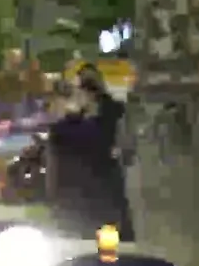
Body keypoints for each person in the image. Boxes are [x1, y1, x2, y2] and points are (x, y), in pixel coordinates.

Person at [45, 69, 133, 240]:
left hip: (92, 195)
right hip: (97, 194)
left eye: (76, 90)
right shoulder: (101, 116)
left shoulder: (100, 119)